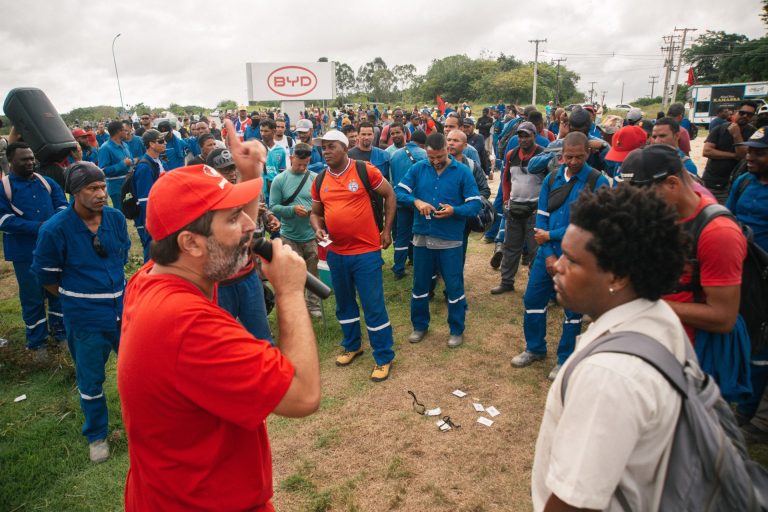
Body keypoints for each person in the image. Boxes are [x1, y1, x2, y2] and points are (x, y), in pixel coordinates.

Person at [118, 121, 320, 510]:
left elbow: (220, 244)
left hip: (173, 491)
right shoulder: (188, 325)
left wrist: (249, 176)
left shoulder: (152, 277)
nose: (250, 225)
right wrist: (291, 291)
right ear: (190, 242)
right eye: (232, 219)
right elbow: (303, 396)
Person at [531, 184, 689, 512]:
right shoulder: (659, 316)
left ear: (617, 276)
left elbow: (576, 501)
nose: (557, 266)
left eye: (572, 260)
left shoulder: (608, 377)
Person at [622, 144, 748, 403]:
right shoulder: (661, 217)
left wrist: (647, 304)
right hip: (656, 350)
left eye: (642, 194)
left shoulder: (718, 233)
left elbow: (723, 317)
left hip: (692, 363)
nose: (636, 204)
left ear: (671, 184)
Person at [32, 162, 130, 463]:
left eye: (103, 187)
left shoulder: (114, 218)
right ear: (75, 192)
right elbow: (47, 276)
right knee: (90, 380)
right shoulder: (54, 229)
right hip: (85, 318)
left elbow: (122, 254)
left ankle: (147, 424)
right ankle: (97, 435)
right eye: (93, 189)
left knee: (139, 371)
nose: (101, 194)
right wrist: (76, 298)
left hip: (123, 313)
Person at [511, 132, 610, 380]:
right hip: (548, 255)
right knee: (533, 300)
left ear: (588, 152)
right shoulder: (552, 177)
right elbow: (541, 216)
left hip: (579, 258)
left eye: (578, 156)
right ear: (561, 154)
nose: (573, 161)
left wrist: (552, 236)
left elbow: (591, 225)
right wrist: (548, 255)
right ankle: (534, 348)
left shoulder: (598, 182)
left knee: (573, 311)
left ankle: (565, 359)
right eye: (568, 156)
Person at [310, 130, 397, 382]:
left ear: (345, 148)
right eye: (323, 147)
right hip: (336, 253)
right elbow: (316, 212)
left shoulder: (364, 170)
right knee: (344, 304)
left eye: (330, 146)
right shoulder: (319, 179)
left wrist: (386, 230)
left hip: (366, 252)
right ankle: (352, 345)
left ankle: (383, 356)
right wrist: (318, 227)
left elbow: (390, 195)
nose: (325, 151)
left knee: (373, 305)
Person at [396, 132, 481, 348]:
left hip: (450, 240)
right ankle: (420, 326)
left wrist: (455, 210)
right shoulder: (418, 168)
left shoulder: (462, 171)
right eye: (431, 157)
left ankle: (456, 329)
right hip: (422, 237)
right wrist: (416, 202)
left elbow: (475, 204)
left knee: (454, 286)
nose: (435, 161)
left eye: (439, 156)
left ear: (447, 149)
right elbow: (399, 191)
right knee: (420, 284)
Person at [0, 142, 68, 361]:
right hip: (24, 252)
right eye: (24, 159)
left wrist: (52, 225)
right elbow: (4, 220)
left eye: (31, 158)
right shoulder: (4, 188)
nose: (30, 162)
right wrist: (40, 227)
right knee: (32, 297)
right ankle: (37, 342)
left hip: (52, 250)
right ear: (11, 162)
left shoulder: (46, 183)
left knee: (57, 291)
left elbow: (62, 206)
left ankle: (60, 332)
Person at [491, 122, 545, 295]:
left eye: (526, 136)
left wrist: (541, 206)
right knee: (510, 247)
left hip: (534, 210)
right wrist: (506, 199)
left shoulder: (543, 155)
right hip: (514, 208)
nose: (523, 139)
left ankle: (535, 286)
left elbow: (549, 183)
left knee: (535, 250)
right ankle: (507, 282)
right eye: (520, 136)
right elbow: (505, 179)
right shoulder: (511, 154)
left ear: (534, 136)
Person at [269, 143, 322, 318]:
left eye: (305, 164)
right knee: (293, 273)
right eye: (299, 164)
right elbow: (273, 207)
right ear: (291, 159)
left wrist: (315, 215)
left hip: (310, 234)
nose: (302, 167)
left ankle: (313, 305)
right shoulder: (280, 180)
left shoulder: (314, 178)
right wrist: (292, 210)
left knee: (312, 271)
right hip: (289, 235)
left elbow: (321, 204)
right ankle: (296, 305)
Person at [703, 100, 758, 204]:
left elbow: (742, 156)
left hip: (737, 185)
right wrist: (733, 155)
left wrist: (736, 135)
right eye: (742, 113)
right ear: (736, 112)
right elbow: (706, 151)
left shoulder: (753, 133)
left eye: (749, 115)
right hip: (713, 183)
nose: (745, 116)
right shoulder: (720, 129)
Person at [390, 130, 428, 279]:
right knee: (419, 234)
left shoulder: (395, 155)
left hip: (400, 200)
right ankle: (417, 264)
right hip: (419, 201)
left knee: (401, 235)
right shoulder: (424, 155)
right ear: (423, 144)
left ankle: (398, 268)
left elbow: (393, 180)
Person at [132, 129, 167, 261]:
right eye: (161, 141)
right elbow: (145, 199)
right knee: (151, 250)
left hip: (159, 213)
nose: (165, 143)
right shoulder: (145, 167)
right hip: (150, 217)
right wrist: (150, 222)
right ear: (151, 144)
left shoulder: (157, 161)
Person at [97, 120, 134, 212]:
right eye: (124, 130)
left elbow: (131, 160)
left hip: (129, 183)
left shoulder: (125, 144)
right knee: (120, 212)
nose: (126, 132)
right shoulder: (105, 148)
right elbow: (103, 170)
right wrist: (122, 164)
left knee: (132, 210)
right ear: (118, 132)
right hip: (116, 187)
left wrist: (131, 163)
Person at [260, 118, 288, 202]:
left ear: (274, 131)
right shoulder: (256, 148)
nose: (263, 134)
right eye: (261, 131)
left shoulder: (280, 150)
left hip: (275, 190)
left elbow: (282, 172)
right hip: (260, 191)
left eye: (266, 131)